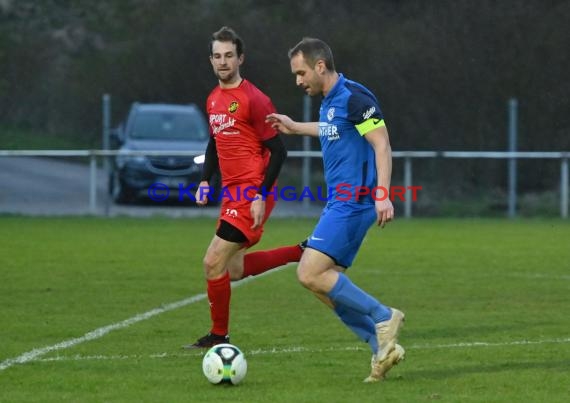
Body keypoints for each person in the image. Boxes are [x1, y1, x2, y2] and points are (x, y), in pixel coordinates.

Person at [266, 37, 405, 382]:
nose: (298, 81)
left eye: (300, 73)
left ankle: (383, 315)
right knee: (323, 286)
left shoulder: (355, 98)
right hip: (340, 202)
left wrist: (383, 194)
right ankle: (380, 347)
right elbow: (333, 130)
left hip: (354, 201)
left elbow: (382, 144)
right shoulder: (329, 102)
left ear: (320, 66)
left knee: (309, 272)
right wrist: (297, 127)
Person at [184, 27, 303, 349]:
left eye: (229, 56)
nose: (223, 62)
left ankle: (218, 336)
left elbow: (279, 150)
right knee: (233, 270)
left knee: (212, 262)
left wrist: (261, 197)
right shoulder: (213, 98)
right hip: (230, 193)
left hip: (251, 191)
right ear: (211, 60)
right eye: (217, 56)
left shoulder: (254, 99)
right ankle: (301, 252)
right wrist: (206, 181)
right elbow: (214, 142)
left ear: (240, 58)